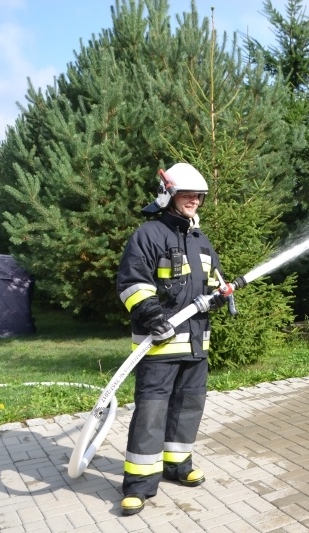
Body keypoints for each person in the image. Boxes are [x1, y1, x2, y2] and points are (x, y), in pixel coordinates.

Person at [116, 162, 225, 516]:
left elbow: (211, 285)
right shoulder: (149, 235)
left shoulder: (201, 240)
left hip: (196, 345)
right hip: (159, 346)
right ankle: (139, 484)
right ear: (169, 195)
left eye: (198, 196)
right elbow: (132, 283)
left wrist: (221, 294)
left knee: (188, 407)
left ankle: (178, 465)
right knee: (151, 412)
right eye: (187, 194)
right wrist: (150, 315)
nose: (194, 200)